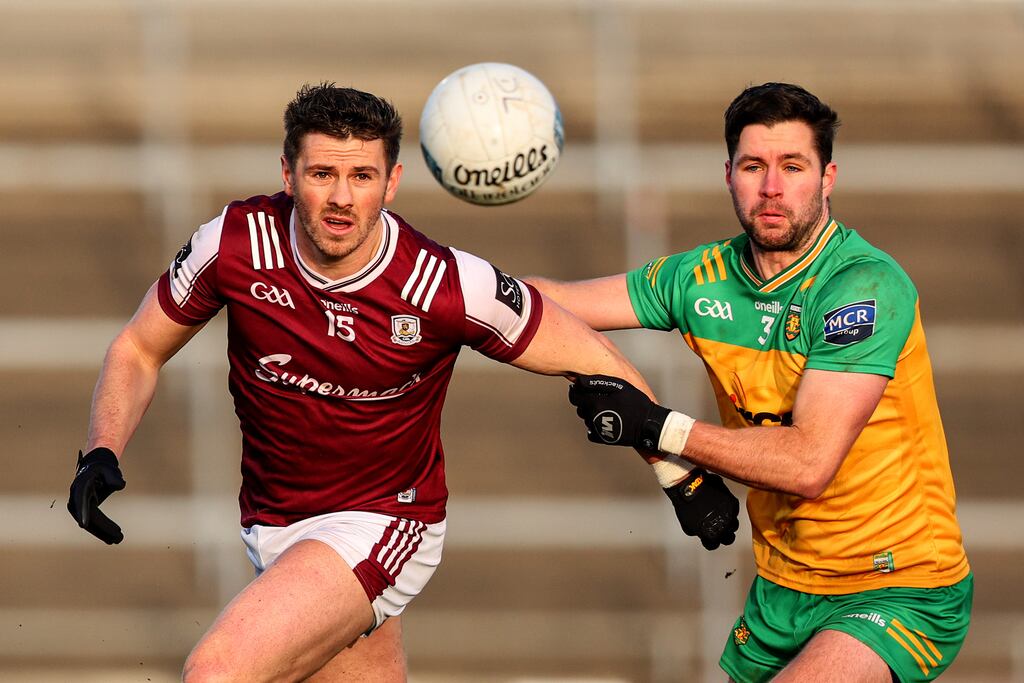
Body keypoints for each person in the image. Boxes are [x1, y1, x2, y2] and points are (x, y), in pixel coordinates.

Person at [66, 83, 740, 682]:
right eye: (322, 172)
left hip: (386, 519)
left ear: (391, 183)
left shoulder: (445, 284)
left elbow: (591, 354)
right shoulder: (236, 245)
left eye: (362, 175)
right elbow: (137, 348)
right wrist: (102, 449)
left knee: (218, 669)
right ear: (287, 173)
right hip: (274, 522)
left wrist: (681, 474)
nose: (340, 197)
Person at [529, 82, 972, 682]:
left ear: (828, 177)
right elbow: (550, 307)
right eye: (753, 166)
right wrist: (419, 273)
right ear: (728, 174)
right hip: (783, 589)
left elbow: (809, 464)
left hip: (900, 588)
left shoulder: (863, 288)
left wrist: (661, 430)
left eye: (793, 166)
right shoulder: (699, 276)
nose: (771, 187)